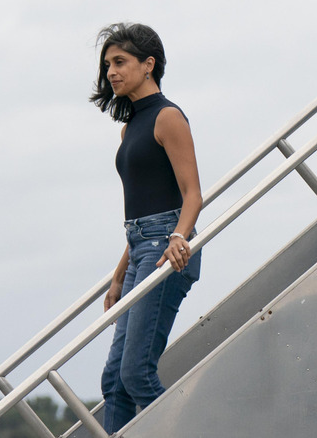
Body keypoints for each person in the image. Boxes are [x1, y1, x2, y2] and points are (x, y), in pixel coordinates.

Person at [90, 23, 203, 434]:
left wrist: (179, 237)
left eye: (120, 62)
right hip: (140, 247)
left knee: (136, 373)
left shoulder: (167, 117)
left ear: (148, 64)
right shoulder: (129, 128)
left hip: (168, 248)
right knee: (114, 382)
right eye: (108, 65)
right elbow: (139, 214)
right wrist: (119, 275)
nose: (111, 72)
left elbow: (192, 195)